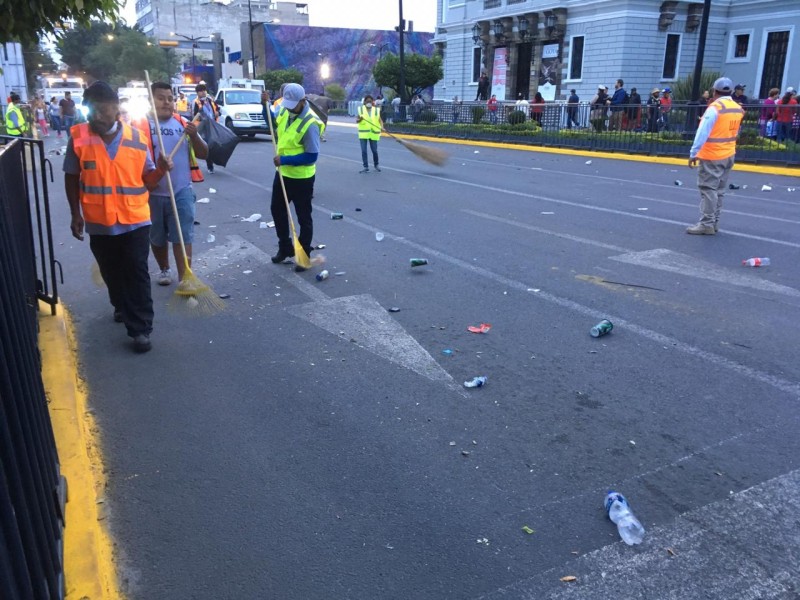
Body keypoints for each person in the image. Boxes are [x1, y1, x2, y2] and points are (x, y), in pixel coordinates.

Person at [63, 81, 174, 352]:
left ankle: (141, 329)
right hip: (99, 222)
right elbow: (72, 177)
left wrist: (160, 170)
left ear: (116, 109)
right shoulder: (78, 137)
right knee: (111, 271)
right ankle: (121, 305)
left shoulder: (137, 139)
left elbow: (148, 181)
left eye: (102, 111)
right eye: (91, 112)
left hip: (134, 219)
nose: (97, 117)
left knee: (136, 271)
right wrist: (75, 213)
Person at [134, 81, 208, 286]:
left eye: (170, 98)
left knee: (183, 236)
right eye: (160, 98)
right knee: (157, 237)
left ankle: (186, 277)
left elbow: (203, 153)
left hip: (181, 190)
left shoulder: (183, 124)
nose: (166, 103)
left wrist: (194, 137)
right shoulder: (139, 127)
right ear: (150, 100)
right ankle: (164, 269)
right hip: (152, 193)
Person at [261, 83, 324, 271]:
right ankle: (285, 247)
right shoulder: (284, 110)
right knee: (277, 210)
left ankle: (303, 254)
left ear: (303, 101)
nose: (289, 108)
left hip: (302, 178)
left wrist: (285, 159)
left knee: (303, 217)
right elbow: (272, 124)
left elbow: (312, 156)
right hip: (282, 174)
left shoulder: (310, 123)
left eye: (293, 105)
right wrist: (263, 106)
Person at [686, 77, 744, 236]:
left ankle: (706, 223)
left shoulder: (715, 108)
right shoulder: (737, 108)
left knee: (708, 189)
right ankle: (714, 221)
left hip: (712, 154)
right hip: (729, 153)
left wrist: (693, 153)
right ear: (731, 91)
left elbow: (702, 132)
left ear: (714, 91)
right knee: (719, 190)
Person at [192, 83, 219, 174]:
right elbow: (194, 115)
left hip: (213, 126)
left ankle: (214, 161)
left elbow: (217, 109)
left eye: (204, 90)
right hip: (203, 128)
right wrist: (200, 117)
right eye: (201, 91)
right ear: (197, 93)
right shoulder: (196, 102)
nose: (203, 92)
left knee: (214, 145)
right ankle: (210, 165)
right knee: (207, 146)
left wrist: (217, 113)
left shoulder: (210, 100)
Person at [356, 94, 382, 173]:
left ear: (372, 102)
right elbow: (357, 120)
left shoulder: (376, 110)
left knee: (374, 150)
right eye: (367, 101)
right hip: (363, 133)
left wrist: (382, 126)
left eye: (370, 101)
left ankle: (376, 164)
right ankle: (366, 167)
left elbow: (380, 120)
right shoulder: (361, 110)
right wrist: (360, 119)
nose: (369, 103)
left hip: (373, 133)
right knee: (364, 151)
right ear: (364, 102)